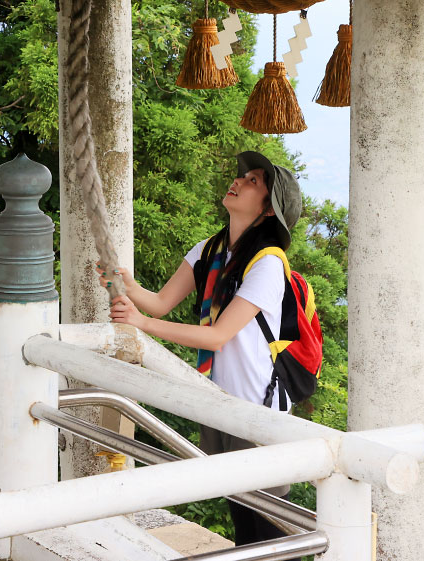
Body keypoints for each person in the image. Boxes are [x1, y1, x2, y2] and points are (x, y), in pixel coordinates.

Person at [99, 150, 302, 549]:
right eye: (243, 175)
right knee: (242, 516)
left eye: (254, 182)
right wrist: (125, 282)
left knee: (271, 529)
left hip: (258, 409)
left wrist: (141, 324)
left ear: (266, 211)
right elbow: (158, 302)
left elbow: (217, 336)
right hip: (216, 402)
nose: (239, 180)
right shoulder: (209, 250)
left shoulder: (267, 263)